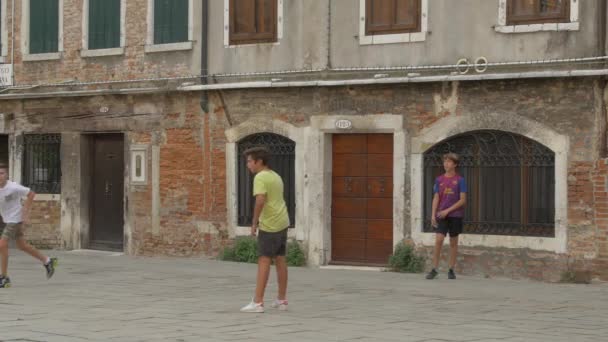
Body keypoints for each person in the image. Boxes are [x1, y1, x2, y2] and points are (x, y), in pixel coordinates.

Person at [240, 147, 290, 313]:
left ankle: (258, 302)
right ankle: (281, 300)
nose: (247, 164)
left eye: (249, 161)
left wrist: (254, 222)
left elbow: (260, 200)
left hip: (270, 223)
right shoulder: (275, 176)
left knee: (264, 259)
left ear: (259, 162)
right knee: (280, 259)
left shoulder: (260, 177)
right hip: (282, 221)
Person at [0, 164, 57, 288]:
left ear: (7, 175)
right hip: (8, 219)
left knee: (2, 244)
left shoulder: (13, 187)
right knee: (22, 246)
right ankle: (47, 261)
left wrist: (25, 213)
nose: (0, 176)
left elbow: (31, 194)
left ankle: (4, 278)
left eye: (2, 173)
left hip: (15, 219)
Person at [426, 153, 467, 280]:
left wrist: (448, 210)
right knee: (439, 240)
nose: (446, 164)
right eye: (445, 161)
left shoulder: (460, 180)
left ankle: (451, 269)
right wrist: (433, 214)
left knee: (453, 243)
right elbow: (436, 197)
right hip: (441, 215)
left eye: (449, 162)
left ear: (455, 164)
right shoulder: (439, 180)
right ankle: (434, 269)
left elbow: (463, 200)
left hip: (455, 215)